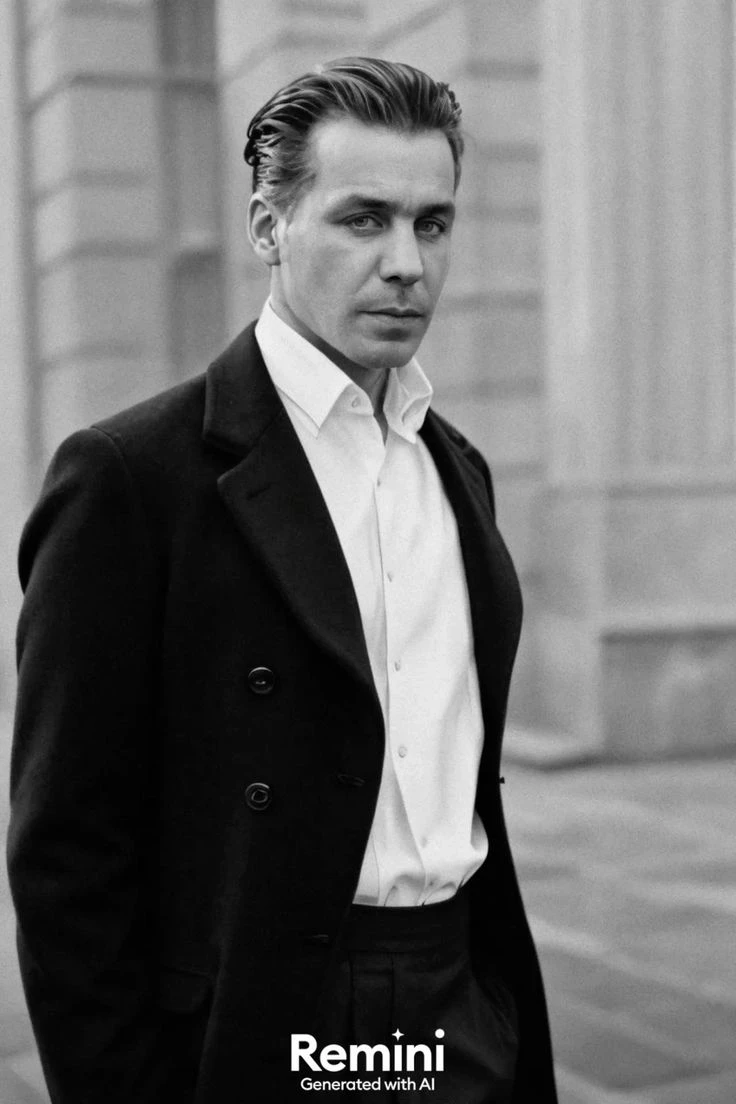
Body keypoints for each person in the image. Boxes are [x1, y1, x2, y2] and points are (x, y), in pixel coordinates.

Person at [7, 57, 557, 1104]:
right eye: (363, 220)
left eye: (432, 223)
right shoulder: (132, 477)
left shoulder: (457, 468)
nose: (406, 264)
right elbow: (67, 850)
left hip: (461, 996)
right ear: (269, 226)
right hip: (264, 1013)